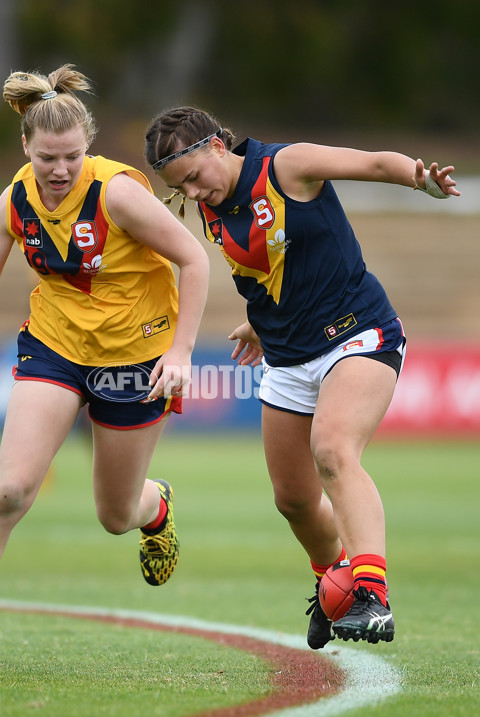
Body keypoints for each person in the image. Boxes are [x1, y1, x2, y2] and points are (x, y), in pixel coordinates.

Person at [0, 66, 209, 667]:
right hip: (55, 347)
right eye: (47, 159)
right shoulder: (14, 200)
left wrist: (182, 351)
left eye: (70, 157)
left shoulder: (118, 193)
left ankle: (155, 507)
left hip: (135, 355)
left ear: (86, 147)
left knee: (115, 515)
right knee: (12, 489)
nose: (59, 170)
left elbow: (192, 260)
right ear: (25, 148)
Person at [144, 107, 459, 647]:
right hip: (288, 354)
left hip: (358, 333)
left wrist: (418, 178)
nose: (192, 194)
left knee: (334, 451)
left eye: (193, 178)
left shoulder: (286, 166)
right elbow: (270, 268)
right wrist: (259, 321)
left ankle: (372, 597)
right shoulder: (213, 206)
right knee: (291, 498)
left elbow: (374, 163)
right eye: (181, 189)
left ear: (218, 146)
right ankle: (331, 580)